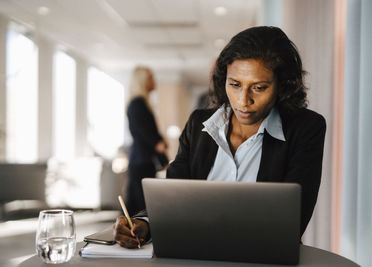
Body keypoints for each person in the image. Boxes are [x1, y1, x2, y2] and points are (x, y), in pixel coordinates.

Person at [114, 26, 326, 248]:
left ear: (282, 86)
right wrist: (144, 223)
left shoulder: (306, 129)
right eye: (235, 85)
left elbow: (293, 221)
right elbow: (173, 197)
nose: (243, 101)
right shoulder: (199, 125)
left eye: (259, 88)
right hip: (192, 256)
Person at [125, 66, 168, 216]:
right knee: (141, 208)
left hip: (142, 161)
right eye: (150, 77)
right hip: (140, 162)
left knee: (137, 206)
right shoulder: (138, 104)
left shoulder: (141, 104)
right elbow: (151, 138)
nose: (153, 81)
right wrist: (165, 161)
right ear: (143, 81)